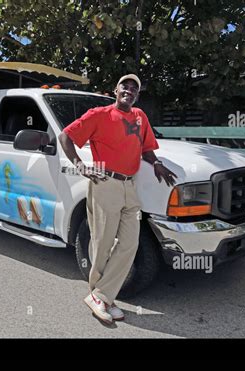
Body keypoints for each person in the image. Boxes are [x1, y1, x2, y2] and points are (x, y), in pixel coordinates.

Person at [58, 74, 177, 324]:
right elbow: (65, 137)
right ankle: (100, 297)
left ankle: (101, 295)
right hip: (105, 184)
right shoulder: (98, 114)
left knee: (129, 243)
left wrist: (157, 164)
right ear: (115, 90)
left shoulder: (139, 116)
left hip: (129, 186)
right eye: (125, 85)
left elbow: (146, 148)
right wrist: (81, 166)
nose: (129, 90)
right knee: (102, 243)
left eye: (135, 88)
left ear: (137, 95)